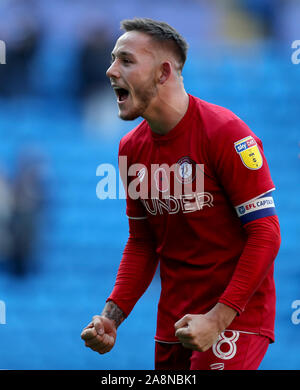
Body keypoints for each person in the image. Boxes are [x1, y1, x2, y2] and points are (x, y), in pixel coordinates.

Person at [81, 18, 281, 370]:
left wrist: (219, 319)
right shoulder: (130, 149)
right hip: (174, 324)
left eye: (126, 60)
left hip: (235, 321)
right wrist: (112, 316)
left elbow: (266, 233)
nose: (111, 70)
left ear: (163, 73)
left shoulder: (226, 133)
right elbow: (143, 242)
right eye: (113, 59)